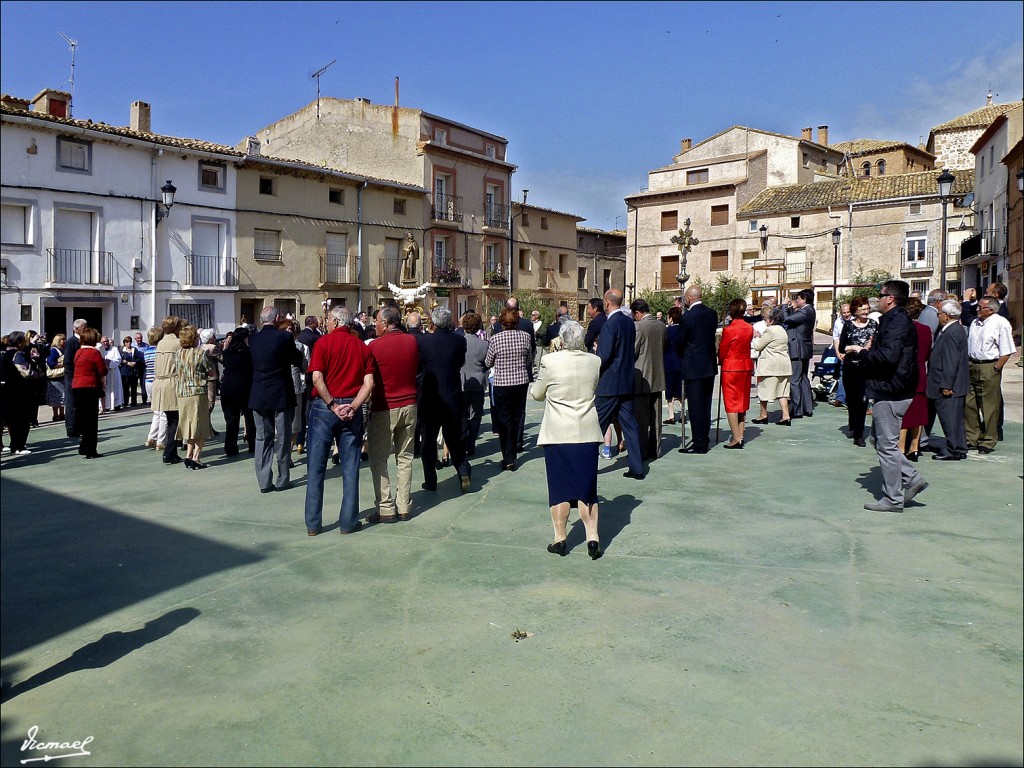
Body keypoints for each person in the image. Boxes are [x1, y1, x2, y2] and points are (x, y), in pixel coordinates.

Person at [844, 280, 928, 512]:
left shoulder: (897, 322)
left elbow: (889, 357)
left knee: (887, 446)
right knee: (879, 440)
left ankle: (893, 498)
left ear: (890, 299)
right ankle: (911, 478)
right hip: (892, 388)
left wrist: (864, 353)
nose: (877, 300)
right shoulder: (894, 320)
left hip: (892, 390)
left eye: (880, 295)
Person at [531, 320, 604, 559]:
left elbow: (537, 394)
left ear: (561, 340)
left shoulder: (549, 361)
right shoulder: (594, 361)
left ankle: (560, 538)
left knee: (560, 488)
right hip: (586, 431)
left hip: (558, 432)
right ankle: (592, 537)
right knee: (587, 488)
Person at [304, 306, 374, 536]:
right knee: (350, 467)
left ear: (335, 321)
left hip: (325, 407)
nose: (326, 323)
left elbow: (317, 377)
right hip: (351, 408)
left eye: (328, 319)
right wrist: (353, 406)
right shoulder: (361, 347)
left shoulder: (323, 343)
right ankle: (348, 521)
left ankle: (313, 524)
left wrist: (333, 405)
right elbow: (369, 383)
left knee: (316, 466)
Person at [366, 305, 420, 523]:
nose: (375, 325)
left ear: (386, 324)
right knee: (405, 457)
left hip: (384, 406)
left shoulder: (374, 347)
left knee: (379, 458)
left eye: (377, 322)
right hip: (410, 404)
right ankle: (404, 505)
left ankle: (386, 507)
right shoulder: (412, 342)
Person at [414, 306, 471, 491]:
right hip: (453, 394)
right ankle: (463, 470)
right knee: (454, 438)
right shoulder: (460, 341)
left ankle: (430, 480)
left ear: (433, 322)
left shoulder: (423, 341)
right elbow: (460, 362)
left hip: (430, 397)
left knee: (428, 440)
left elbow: (419, 366)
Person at [248, 307, 304, 493]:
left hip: (259, 393)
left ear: (261, 320)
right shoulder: (284, 337)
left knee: (262, 438)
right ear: (277, 318)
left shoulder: (253, 339)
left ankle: (264, 482)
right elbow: (296, 359)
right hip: (281, 393)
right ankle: (282, 478)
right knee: (283, 437)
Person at [594, 288, 645, 478]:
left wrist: (595, 363)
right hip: (626, 381)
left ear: (607, 302)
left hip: (609, 384)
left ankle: (586, 466)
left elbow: (604, 355)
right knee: (630, 425)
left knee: (596, 426)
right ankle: (637, 467)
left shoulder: (610, 325)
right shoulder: (628, 322)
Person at [964, 296, 1015, 454]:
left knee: (989, 405)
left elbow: (1006, 350)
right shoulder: (975, 323)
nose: (977, 309)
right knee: (969, 403)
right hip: (972, 364)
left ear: (991, 309)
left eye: (981, 307)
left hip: (989, 365)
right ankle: (972, 437)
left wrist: (996, 367)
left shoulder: (1000, 323)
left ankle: (988, 439)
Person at [485, 306, 533, 472]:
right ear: (517, 322)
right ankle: (515, 448)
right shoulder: (526, 336)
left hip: (502, 383)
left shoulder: (495, 339)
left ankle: (508, 457)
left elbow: (488, 362)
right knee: (517, 416)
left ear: (501, 323)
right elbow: (529, 360)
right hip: (520, 381)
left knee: (504, 420)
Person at [675, 284, 718, 455]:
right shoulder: (711, 313)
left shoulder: (688, 317)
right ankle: (703, 437)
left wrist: (684, 355)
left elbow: (680, 342)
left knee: (695, 406)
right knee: (706, 405)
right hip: (709, 365)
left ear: (689, 298)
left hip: (694, 366)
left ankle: (700, 443)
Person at [927, 300, 970, 461]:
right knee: (954, 418)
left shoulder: (952, 332)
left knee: (950, 418)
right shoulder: (954, 330)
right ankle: (959, 447)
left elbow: (951, 361)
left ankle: (953, 449)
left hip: (948, 384)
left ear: (946, 315)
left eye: (940, 313)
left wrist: (947, 385)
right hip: (951, 383)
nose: (938, 316)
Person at [837, 297, 878, 447]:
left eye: (867, 309)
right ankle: (853, 425)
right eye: (863, 309)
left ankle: (859, 435)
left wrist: (869, 348)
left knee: (862, 400)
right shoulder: (848, 325)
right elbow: (842, 347)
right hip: (851, 366)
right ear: (856, 311)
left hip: (866, 367)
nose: (866, 312)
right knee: (852, 400)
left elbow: (877, 344)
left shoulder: (874, 324)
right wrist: (854, 347)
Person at [896, 298, 932, 462]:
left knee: (903, 414)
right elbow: (927, 354)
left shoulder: (902, 329)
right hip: (920, 373)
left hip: (904, 374)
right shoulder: (926, 330)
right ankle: (915, 447)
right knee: (918, 413)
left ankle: (901, 447)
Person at [631, 298, 666, 460]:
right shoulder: (661, 326)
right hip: (658, 375)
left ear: (637, 313)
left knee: (641, 418)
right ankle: (656, 449)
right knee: (656, 417)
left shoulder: (639, 327)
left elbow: (634, 351)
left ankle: (642, 451)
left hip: (642, 376)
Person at [174, 325, 213, 469]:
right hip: (197, 391)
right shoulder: (200, 354)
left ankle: (188, 455)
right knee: (200, 425)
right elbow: (211, 372)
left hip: (182, 393)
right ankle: (196, 457)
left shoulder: (177, 354)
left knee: (188, 425)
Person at [718, 299, 754, 448]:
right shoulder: (749, 328)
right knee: (742, 401)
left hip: (731, 367)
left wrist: (720, 359)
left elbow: (723, 350)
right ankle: (741, 434)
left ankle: (736, 437)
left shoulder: (729, 330)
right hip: (745, 366)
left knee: (731, 403)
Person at [151, 316, 185, 465]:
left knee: (169, 418)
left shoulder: (160, 343)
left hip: (160, 383)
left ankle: (171, 451)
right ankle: (169, 452)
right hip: (172, 382)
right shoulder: (177, 343)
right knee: (175, 420)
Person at [751, 306, 792, 425]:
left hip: (770, 366)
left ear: (772, 320)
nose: (765, 321)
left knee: (763, 391)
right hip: (784, 365)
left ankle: (763, 415)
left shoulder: (770, 331)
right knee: (782, 392)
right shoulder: (782, 330)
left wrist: (756, 337)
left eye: (767, 319)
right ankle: (786, 416)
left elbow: (758, 346)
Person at [71, 327, 107, 459]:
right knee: (91, 420)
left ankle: (83, 446)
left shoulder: (78, 352)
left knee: (83, 418)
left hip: (77, 386)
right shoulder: (94, 352)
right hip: (90, 387)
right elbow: (102, 371)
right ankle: (91, 450)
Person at [220, 326, 255, 456]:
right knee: (250, 418)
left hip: (228, 387)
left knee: (231, 420)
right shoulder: (249, 352)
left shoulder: (227, 352)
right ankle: (252, 444)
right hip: (246, 387)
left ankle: (230, 447)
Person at [782, 289, 816, 418]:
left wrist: (784, 306)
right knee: (803, 378)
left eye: (798, 299)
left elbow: (787, 319)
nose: (797, 301)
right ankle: (807, 407)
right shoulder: (809, 310)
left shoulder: (805, 311)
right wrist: (791, 309)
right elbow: (794, 321)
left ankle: (797, 410)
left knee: (795, 380)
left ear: (804, 300)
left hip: (798, 349)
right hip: (804, 348)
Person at [460, 311, 489, 457]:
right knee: (476, 414)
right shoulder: (484, 344)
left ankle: (464, 442)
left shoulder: (458, 342)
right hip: (478, 381)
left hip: (461, 381)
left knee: (463, 414)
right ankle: (471, 443)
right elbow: (488, 363)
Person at [0, 332, 35, 455]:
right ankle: (19, 446)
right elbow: (26, 372)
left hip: (7, 390)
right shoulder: (18, 354)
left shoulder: (4, 354)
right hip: (20, 391)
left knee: (12, 420)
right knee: (22, 420)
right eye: (24, 340)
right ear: (19, 343)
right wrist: (36, 373)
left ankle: (15, 446)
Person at [142, 327, 168, 451]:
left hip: (148, 381)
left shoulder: (146, 351)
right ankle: (161, 441)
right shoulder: (159, 351)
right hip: (157, 380)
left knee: (156, 411)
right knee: (163, 412)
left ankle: (151, 437)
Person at [63, 318, 86, 438]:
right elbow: (67, 362)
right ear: (76, 329)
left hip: (80, 377)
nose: (86, 329)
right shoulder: (72, 342)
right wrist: (72, 376)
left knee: (79, 403)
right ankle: (71, 428)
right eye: (84, 327)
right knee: (71, 403)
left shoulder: (83, 341)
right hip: (72, 377)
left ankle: (79, 426)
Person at [662, 306, 683, 425]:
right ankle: (683, 412)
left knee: (669, 390)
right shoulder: (683, 330)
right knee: (680, 389)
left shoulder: (667, 331)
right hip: (681, 362)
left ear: (670, 317)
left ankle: (671, 415)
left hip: (669, 362)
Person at [829, 303, 852, 407]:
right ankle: (840, 398)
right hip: (843, 351)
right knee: (843, 374)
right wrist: (838, 352)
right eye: (844, 313)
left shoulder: (856, 320)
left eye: (848, 312)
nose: (846, 314)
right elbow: (836, 338)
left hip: (854, 351)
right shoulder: (838, 322)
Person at [98, 336, 124, 413]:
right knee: (105, 389)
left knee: (115, 388)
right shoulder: (99, 350)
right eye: (104, 342)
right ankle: (106, 406)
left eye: (107, 341)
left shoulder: (114, 349)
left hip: (113, 372)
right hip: (104, 374)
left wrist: (109, 363)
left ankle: (116, 404)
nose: (106, 343)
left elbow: (118, 360)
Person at [46, 333, 67, 423]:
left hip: (62, 376)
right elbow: (50, 363)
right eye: (63, 340)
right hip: (55, 378)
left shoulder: (63, 350)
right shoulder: (54, 350)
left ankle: (62, 413)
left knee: (63, 396)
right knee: (55, 397)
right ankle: (55, 414)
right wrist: (63, 365)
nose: (65, 341)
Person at [119, 336, 143, 407]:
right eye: (127, 342)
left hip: (133, 372)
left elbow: (138, 359)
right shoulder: (122, 350)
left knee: (133, 387)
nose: (129, 343)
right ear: (124, 343)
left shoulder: (134, 349)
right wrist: (126, 362)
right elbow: (119, 360)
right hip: (125, 372)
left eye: (130, 341)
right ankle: (125, 402)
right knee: (125, 388)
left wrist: (135, 362)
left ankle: (134, 402)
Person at [134, 331, 149, 406]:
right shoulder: (133, 346)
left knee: (143, 384)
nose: (139, 339)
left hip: (143, 366)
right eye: (138, 338)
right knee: (134, 384)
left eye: (140, 338)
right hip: (135, 367)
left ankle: (144, 400)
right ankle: (134, 402)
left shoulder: (146, 346)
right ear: (135, 339)